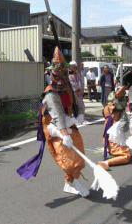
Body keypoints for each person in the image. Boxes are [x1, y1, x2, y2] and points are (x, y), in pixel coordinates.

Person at [41, 47, 89, 197]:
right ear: (52, 74)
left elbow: (78, 102)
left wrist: (80, 114)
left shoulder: (68, 86)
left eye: (64, 73)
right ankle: (75, 181)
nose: (62, 77)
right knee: (67, 156)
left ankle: (69, 183)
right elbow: (57, 115)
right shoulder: (50, 93)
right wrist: (63, 133)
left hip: (69, 122)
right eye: (58, 74)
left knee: (79, 149)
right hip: (54, 127)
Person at [98, 89, 131, 170]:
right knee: (126, 156)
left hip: (108, 139)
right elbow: (124, 126)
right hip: (113, 140)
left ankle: (110, 153)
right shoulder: (116, 110)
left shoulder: (107, 108)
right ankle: (106, 163)